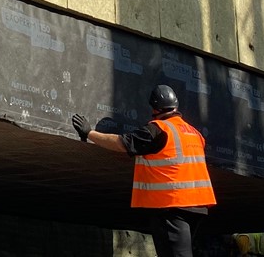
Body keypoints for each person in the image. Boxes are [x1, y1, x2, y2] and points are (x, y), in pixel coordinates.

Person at [72, 84, 216, 257]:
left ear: (154, 108)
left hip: (172, 204)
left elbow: (122, 143)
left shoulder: (157, 130)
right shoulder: (193, 132)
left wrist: (89, 133)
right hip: (196, 205)